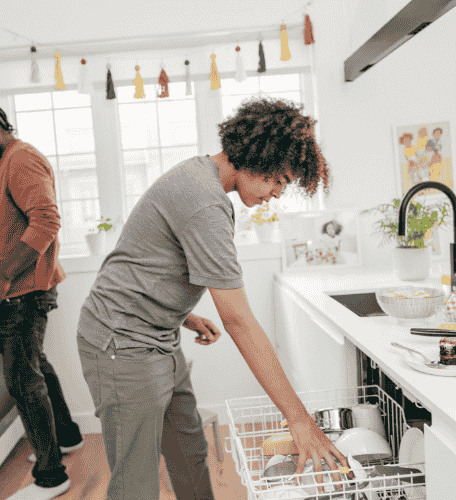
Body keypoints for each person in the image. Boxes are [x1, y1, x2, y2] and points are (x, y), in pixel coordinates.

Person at [76, 96, 352, 500]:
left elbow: (142, 257)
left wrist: (182, 315)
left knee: (188, 449)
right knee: (136, 481)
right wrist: (299, 421)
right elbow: (238, 320)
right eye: (277, 180)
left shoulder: (201, 179)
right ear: (258, 156)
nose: (277, 193)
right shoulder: (205, 201)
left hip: (158, 335)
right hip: (122, 344)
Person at [0, 103, 83, 500]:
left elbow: (46, 221)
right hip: (22, 285)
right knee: (35, 366)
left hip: (25, 290)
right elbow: (9, 232)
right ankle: (66, 436)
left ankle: (51, 476)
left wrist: (4, 277)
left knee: (22, 380)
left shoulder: (22, 159)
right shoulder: (6, 165)